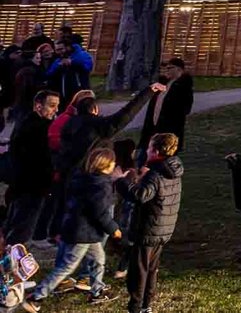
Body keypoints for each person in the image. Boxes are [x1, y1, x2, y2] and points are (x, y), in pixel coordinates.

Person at [28, 148, 120, 305]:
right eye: (113, 162)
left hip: (79, 230)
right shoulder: (101, 185)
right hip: (83, 234)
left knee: (98, 260)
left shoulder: (81, 178)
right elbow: (100, 212)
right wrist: (113, 229)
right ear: (107, 164)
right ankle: (37, 296)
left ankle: (97, 291)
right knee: (67, 266)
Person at [120, 132, 183, 313]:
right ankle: (146, 305)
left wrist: (122, 181)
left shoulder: (155, 174)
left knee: (139, 271)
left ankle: (136, 306)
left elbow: (140, 196)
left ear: (155, 151)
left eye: (149, 148)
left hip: (148, 229)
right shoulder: (173, 171)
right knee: (151, 269)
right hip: (163, 228)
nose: (146, 151)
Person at [4, 90, 58, 245]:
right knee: (21, 230)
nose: (55, 110)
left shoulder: (26, 123)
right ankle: (12, 255)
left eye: (57, 106)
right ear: (38, 106)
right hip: (32, 186)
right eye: (52, 105)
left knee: (15, 225)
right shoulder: (39, 128)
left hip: (23, 185)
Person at [139, 58, 194, 154]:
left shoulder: (184, 87)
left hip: (169, 129)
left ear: (179, 69)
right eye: (166, 68)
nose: (167, 70)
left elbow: (185, 109)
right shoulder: (163, 83)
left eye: (170, 68)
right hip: (153, 126)